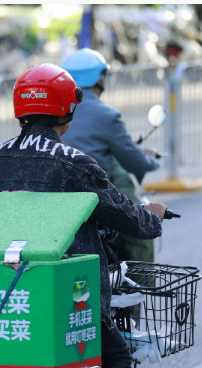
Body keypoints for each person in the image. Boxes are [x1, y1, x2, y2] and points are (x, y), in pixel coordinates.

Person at [0, 63, 167, 368]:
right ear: (67, 110)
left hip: (10, 287)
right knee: (116, 357)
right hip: (67, 290)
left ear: (19, 109)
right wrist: (152, 217)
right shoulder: (77, 164)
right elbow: (123, 214)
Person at [61, 48, 161, 264]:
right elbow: (132, 161)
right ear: (100, 78)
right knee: (140, 226)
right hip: (94, 195)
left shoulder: (57, 110)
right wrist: (151, 162)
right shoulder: (106, 115)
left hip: (58, 194)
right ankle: (139, 288)